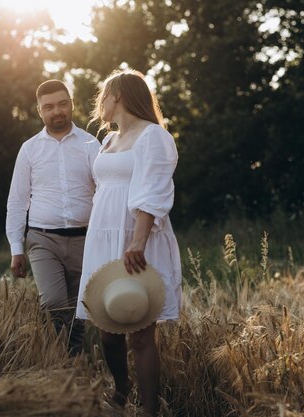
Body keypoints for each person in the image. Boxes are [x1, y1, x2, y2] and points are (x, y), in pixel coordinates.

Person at [75, 70, 182, 416]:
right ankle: (122, 391)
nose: (99, 105)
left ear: (117, 95)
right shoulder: (108, 141)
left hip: (137, 239)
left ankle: (149, 410)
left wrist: (137, 241)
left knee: (139, 333)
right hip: (103, 237)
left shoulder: (153, 137)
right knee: (108, 330)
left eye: (102, 96)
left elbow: (153, 192)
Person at [6, 80, 100, 355]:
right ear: (40, 111)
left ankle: (72, 360)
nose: (56, 112)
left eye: (61, 104)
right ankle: (67, 359)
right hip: (42, 238)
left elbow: (104, 192)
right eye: (48, 107)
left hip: (85, 239)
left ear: (71, 105)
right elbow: (17, 200)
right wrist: (16, 248)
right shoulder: (30, 149)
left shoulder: (90, 145)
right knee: (55, 303)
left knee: (81, 306)